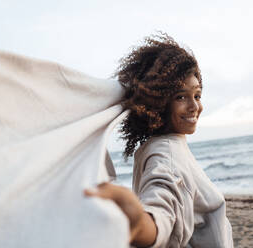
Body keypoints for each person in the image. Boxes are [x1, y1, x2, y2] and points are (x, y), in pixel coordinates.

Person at [85, 33, 233, 248]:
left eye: (197, 95)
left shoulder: (164, 145)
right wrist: (138, 222)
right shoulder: (166, 154)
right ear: (158, 102)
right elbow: (162, 208)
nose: (194, 106)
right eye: (180, 97)